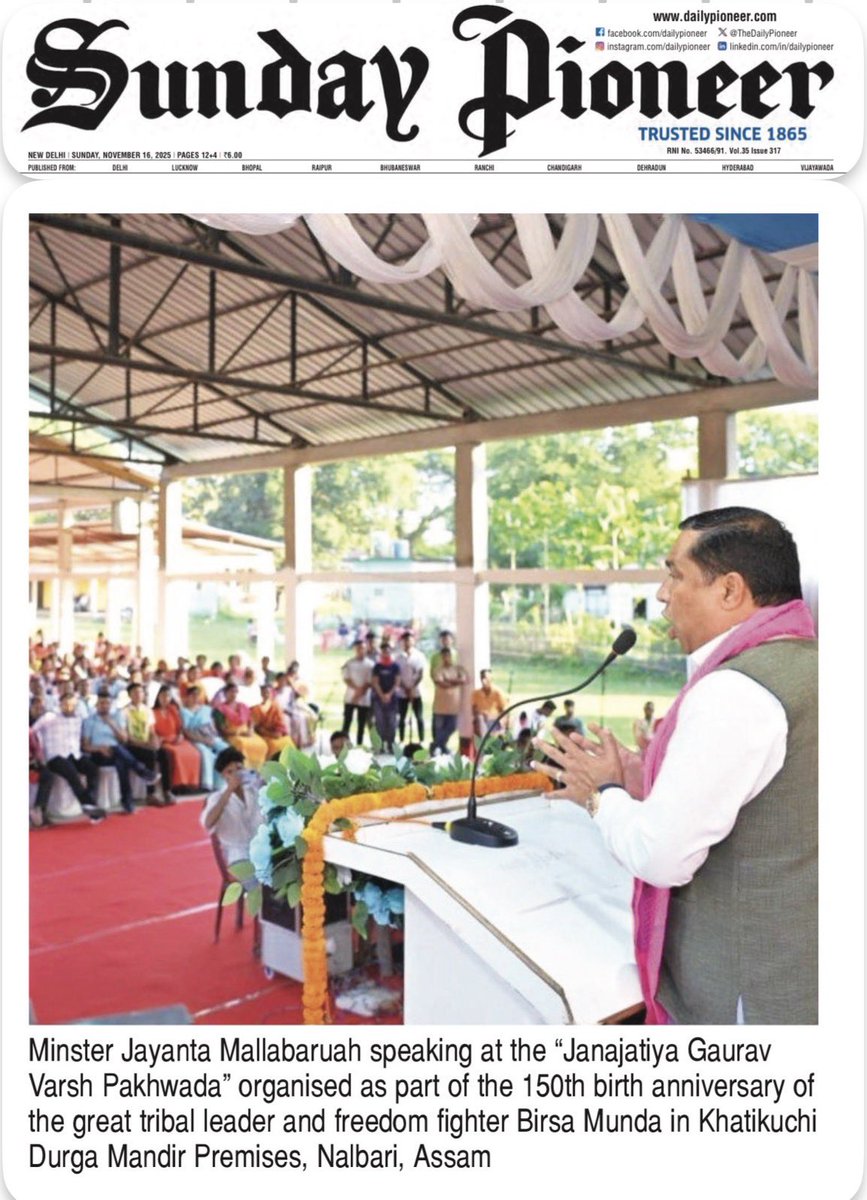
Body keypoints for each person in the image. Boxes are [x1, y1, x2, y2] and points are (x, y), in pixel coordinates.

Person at [532, 507, 817, 1025]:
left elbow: (661, 857)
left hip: (745, 1000)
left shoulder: (735, 691)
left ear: (730, 591)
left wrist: (604, 794)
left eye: (675, 574)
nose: (663, 594)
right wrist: (655, 784)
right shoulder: (811, 663)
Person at [82, 689, 159, 813]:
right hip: (98, 753)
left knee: (120, 761)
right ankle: (142, 773)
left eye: (107, 703)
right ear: (96, 705)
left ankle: (127, 801)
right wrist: (100, 748)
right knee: (119, 754)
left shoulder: (116, 717)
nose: (104, 706)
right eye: (101, 703)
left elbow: (124, 739)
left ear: (111, 704)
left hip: (116, 751)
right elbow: (85, 746)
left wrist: (112, 724)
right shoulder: (89, 721)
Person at [31, 695, 106, 823]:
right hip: (54, 756)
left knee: (92, 769)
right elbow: (32, 731)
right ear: (60, 704)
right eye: (65, 704)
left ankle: (89, 802)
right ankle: (91, 807)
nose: (68, 707)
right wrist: (39, 750)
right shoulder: (50, 717)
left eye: (72, 704)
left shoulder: (78, 718)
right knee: (72, 774)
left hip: (74, 754)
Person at [200, 747, 264, 868]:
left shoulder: (255, 791)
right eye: (230, 772)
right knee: (253, 882)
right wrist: (229, 791)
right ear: (223, 776)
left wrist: (264, 784)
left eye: (239, 769)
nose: (236, 775)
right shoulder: (216, 798)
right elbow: (208, 823)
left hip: (262, 850)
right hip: (236, 856)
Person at [153, 684, 201, 797]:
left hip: (177, 739)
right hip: (163, 740)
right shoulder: (153, 712)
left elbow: (180, 727)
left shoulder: (173, 709)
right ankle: (176, 786)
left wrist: (179, 736)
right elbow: (152, 730)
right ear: (158, 697)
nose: (165, 699)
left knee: (194, 753)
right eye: (163, 696)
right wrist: (161, 738)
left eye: (168, 696)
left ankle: (190, 784)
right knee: (175, 754)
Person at [181, 685, 229, 791]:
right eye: (192, 695)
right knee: (206, 753)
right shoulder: (183, 711)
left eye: (197, 695)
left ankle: (225, 781)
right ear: (187, 697)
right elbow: (186, 730)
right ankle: (208, 783)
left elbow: (211, 725)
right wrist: (203, 740)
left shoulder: (206, 709)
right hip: (194, 738)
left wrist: (213, 738)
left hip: (210, 736)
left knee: (226, 749)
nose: (195, 698)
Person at [214, 681, 269, 769]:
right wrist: (238, 733)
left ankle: (257, 770)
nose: (233, 694)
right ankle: (243, 770)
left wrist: (251, 730)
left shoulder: (243, 706)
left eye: (235, 691)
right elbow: (221, 729)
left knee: (262, 744)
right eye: (231, 691)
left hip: (246, 732)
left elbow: (251, 721)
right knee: (241, 745)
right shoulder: (220, 709)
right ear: (225, 693)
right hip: (231, 734)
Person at [430, 647, 468, 755]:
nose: (447, 658)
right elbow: (441, 683)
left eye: (449, 656)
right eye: (445, 656)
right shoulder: (438, 669)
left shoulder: (458, 669)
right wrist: (455, 682)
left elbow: (464, 680)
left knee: (452, 727)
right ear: (442, 657)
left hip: (454, 705)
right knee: (439, 729)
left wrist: (448, 680)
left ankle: (436, 745)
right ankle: (442, 747)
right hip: (440, 706)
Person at [396, 630, 426, 743]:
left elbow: (421, 674)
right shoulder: (398, 657)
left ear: (413, 641)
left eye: (409, 639)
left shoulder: (419, 656)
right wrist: (405, 688)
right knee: (402, 718)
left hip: (416, 692)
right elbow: (397, 675)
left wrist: (412, 687)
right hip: (402, 692)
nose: (407, 642)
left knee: (419, 717)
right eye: (405, 640)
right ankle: (402, 740)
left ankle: (421, 740)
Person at [370, 639, 401, 753]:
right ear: (381, 652)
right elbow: (375, 682)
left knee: (392, 723)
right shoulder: (377, 666)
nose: (386, 653)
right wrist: (382, 695)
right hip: (379, 699)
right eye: (384, 651)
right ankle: (381, 745)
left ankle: (391, 745)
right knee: (380, 723)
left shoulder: (395, 666)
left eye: (388, 651)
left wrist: (389, 694)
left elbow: (397, 682)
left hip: (392, 700)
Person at [341, 639, 373, 746]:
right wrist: (356, 690)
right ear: (355, 649)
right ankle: (343, 744)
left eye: (363, 648)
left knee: (361, 724)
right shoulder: (349, 663)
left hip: (364, 698)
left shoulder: (370, 664)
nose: (361, 650)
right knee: (347, 722)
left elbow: (370, 682)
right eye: (359, 648)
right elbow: (347, 679)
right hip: (350, 697)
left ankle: (359, 745)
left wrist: (359, 693)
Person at [251, 684, 295, 760]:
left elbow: (280, 721)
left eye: (268, 692)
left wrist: (278, 732)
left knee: (287, 741)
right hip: (262, 733)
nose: (266, 694)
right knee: (273, 745)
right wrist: (262, 731)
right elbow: (255, 724)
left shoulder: (275, 706)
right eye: (264, 692)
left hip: (275, 731)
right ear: (261, 693)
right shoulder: (255, 708)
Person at [470, 668, 508, 738]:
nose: (483, 681)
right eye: (482, 678)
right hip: (480, 722)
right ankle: (484, 741)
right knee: (480, 718)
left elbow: (505, 711)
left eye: (486, 678)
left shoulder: (498, 693)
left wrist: (492, 716)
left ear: (491, 679)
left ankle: (487, 740)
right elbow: (473, 710)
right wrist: (480, 714)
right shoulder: (476, 693)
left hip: (494, 721)